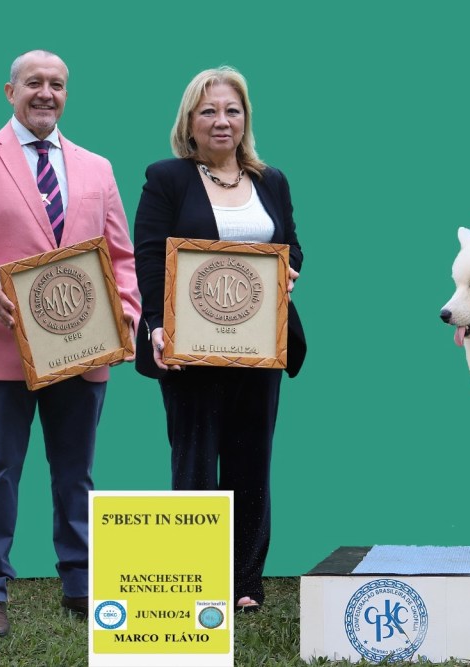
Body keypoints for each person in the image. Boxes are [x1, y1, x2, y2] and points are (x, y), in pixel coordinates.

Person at [0, 50, 140, 637]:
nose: (47, 93)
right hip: (3, 349)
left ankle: (81, 583)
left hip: (85, 350)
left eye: (58, 84)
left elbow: (120, 256)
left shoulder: (98, 167)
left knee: (76, 474)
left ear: (67, 94)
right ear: (10, 91)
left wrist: (126, 313)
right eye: (35, 83)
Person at [133, 66, 306, 613]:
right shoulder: (167, 178)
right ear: (189, 122)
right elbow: (149, 257)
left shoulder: (271, 180)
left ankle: (245, 581)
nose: (221, 120)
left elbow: (293, 248)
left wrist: (287, 272)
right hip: (190, 349)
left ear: (246, 119)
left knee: (252, 463)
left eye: (232, 110)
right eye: (208, 111)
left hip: (260, 346)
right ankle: (199, 578)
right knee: (195, 463)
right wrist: (158, 326)